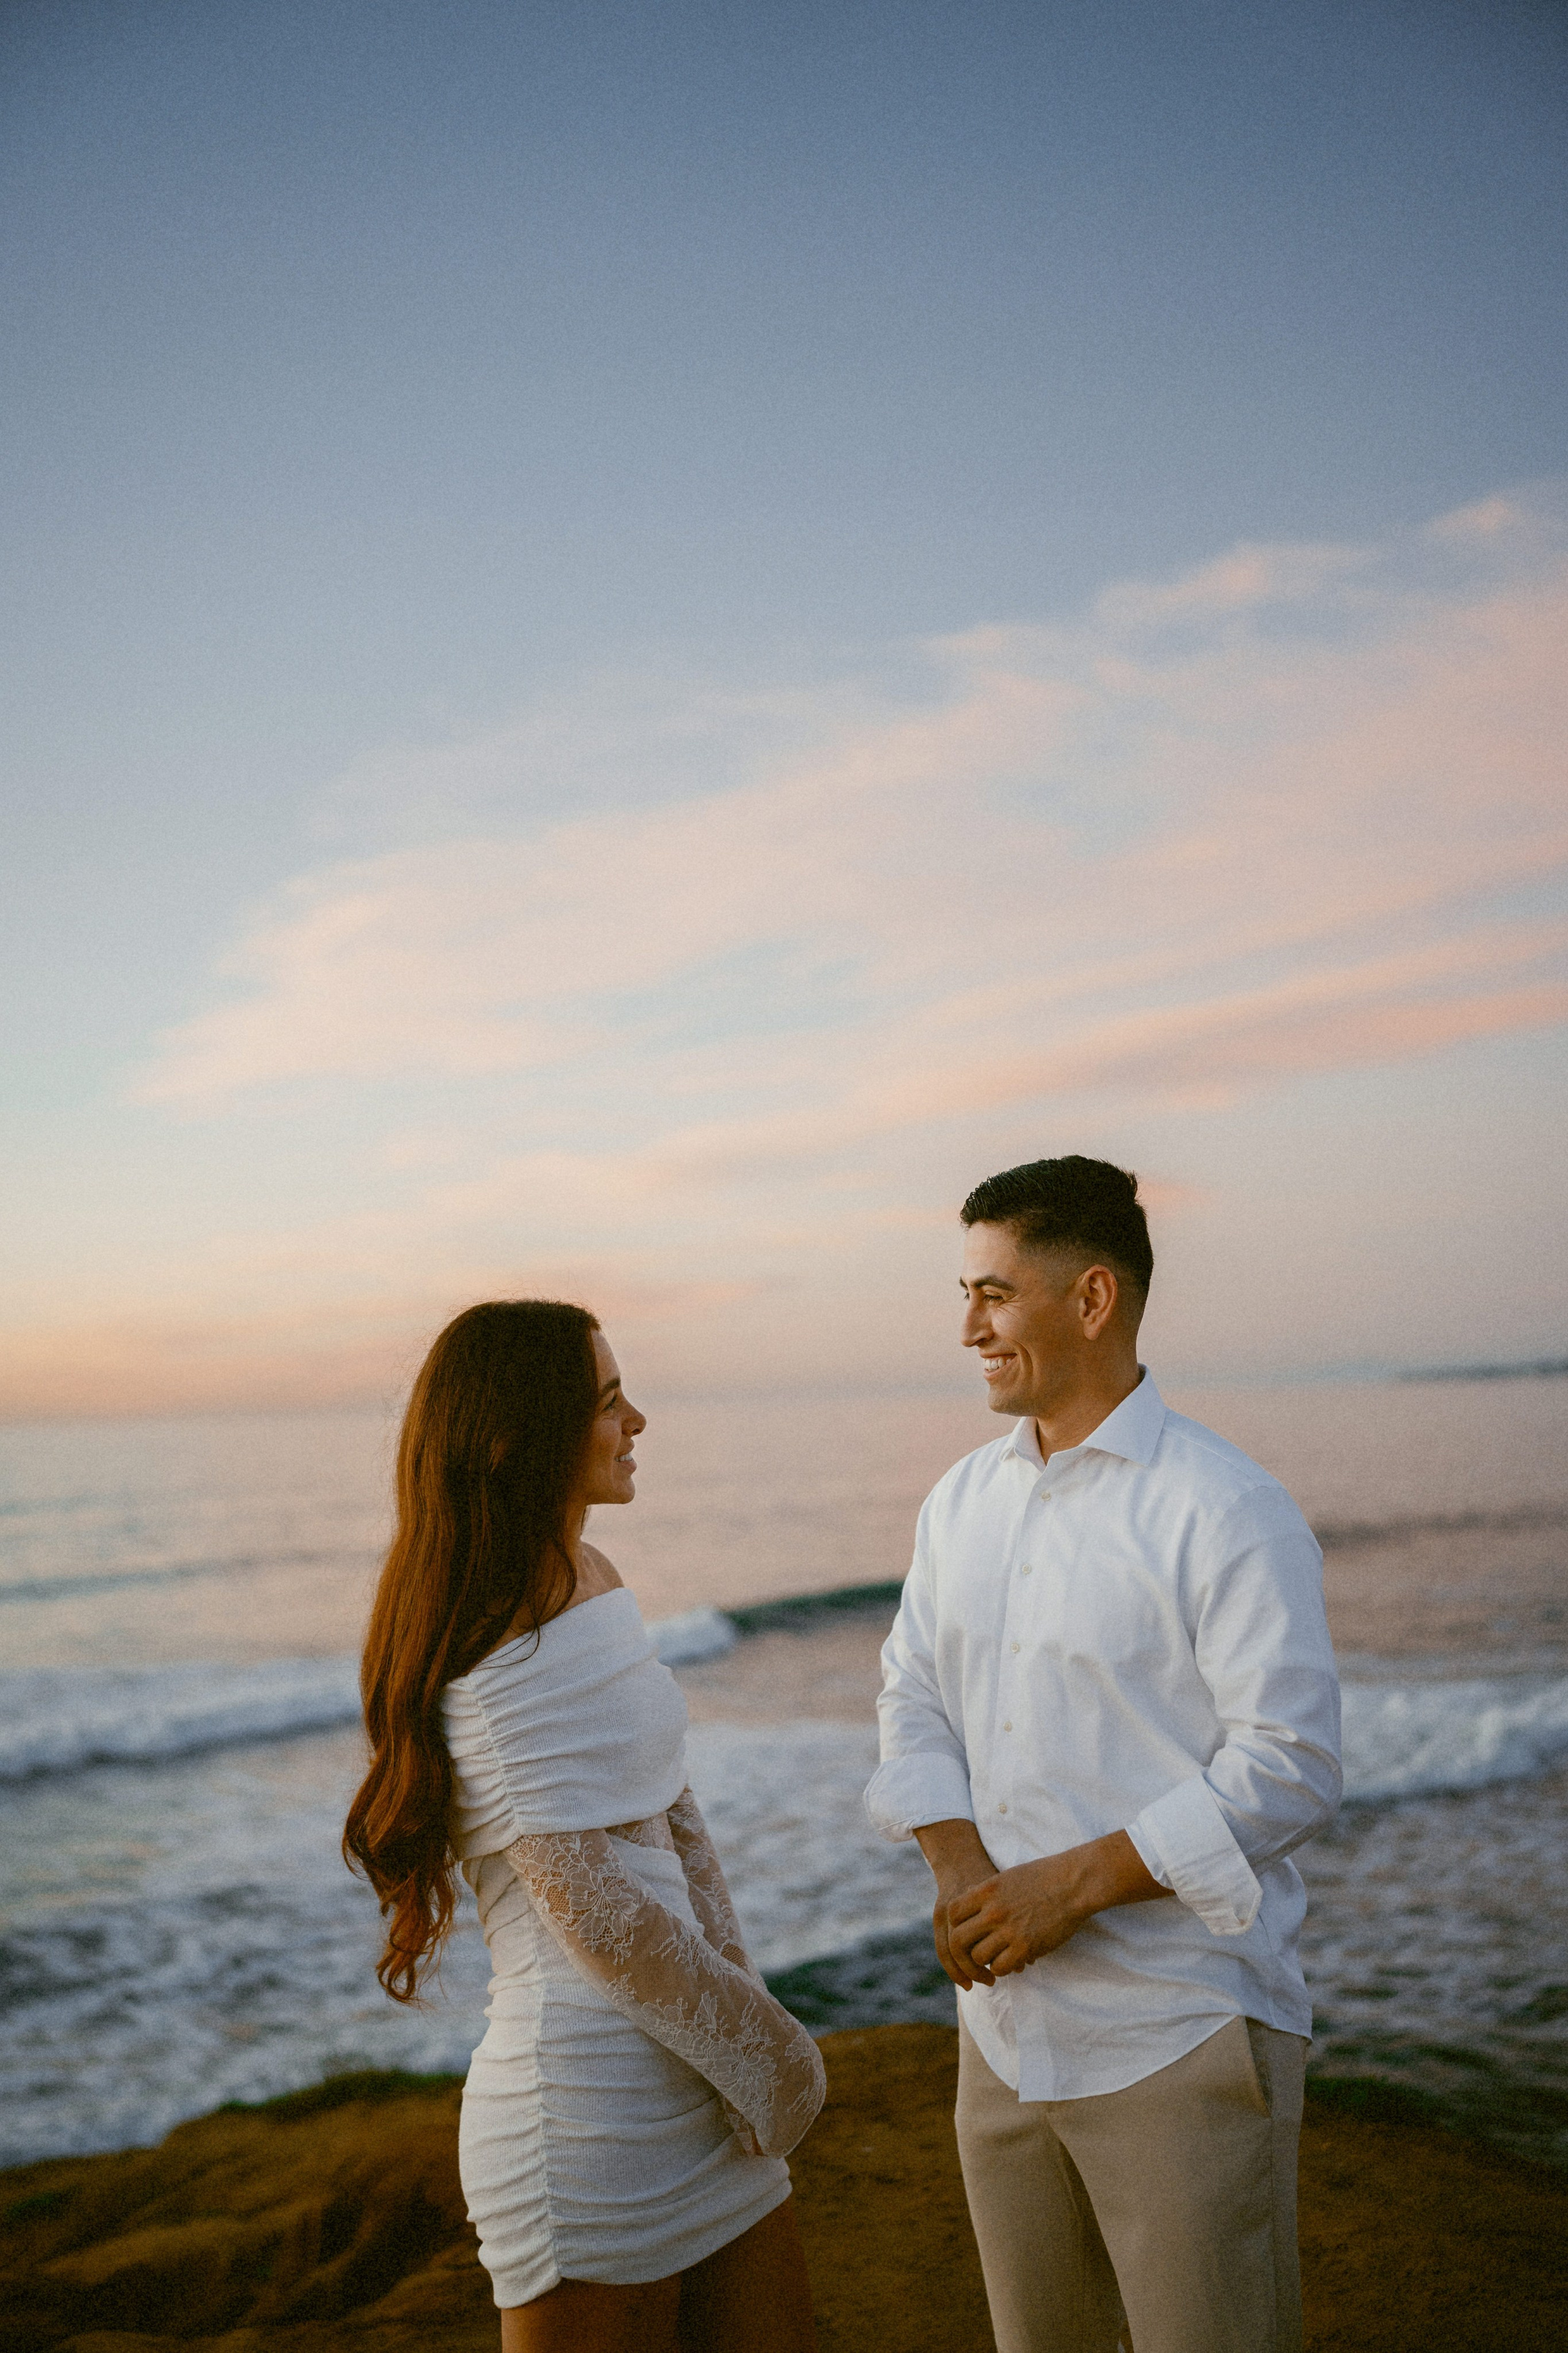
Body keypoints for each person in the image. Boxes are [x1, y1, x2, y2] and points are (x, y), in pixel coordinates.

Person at [865, 1157, 1341, 2353]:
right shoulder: (957, 1502)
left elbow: (1289, 1764)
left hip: (1175, 2024)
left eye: (994, 1294)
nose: (968, 1328)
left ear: (1090, 1298)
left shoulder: (1226, 1507)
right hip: (1002, 2034)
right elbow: (911, 1691)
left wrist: (1068, 1888)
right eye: (964, 1294)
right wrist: (959, 1870)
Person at [345, 1299, 824, 2353]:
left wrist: (745, 2022)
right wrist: (778, 2055)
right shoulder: (494, 1625)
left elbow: (674, 1810)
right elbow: (595, 1914)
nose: (637, 1420)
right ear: (525, 1437)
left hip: (699, 2078)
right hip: (586, 2115)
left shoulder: (594, 1576)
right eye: (609, 1401)